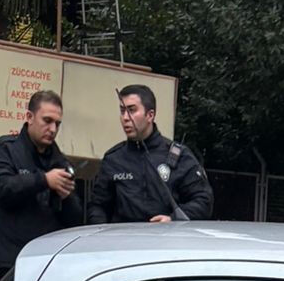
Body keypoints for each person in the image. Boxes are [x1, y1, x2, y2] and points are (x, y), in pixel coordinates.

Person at [0, 90, 84, 281]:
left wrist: (66, 198)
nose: (53, 129)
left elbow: (76, 221)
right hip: (11, 262)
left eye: (57, 124)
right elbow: (3, 189)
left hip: (48, 265)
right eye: (47, 121)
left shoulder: (61, 162)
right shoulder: (6, 149)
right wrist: (44, 180)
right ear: (29, 117)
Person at [86, 83, 211, 225]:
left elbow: (203, 201)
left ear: (150, 115)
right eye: (122, 111)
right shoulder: (113, 159)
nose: (125, 117)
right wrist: (102, 233)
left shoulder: (178, 156)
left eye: (131, 110)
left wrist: (173, 220)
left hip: (166, 242)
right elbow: (97, 207)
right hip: (123, 243)